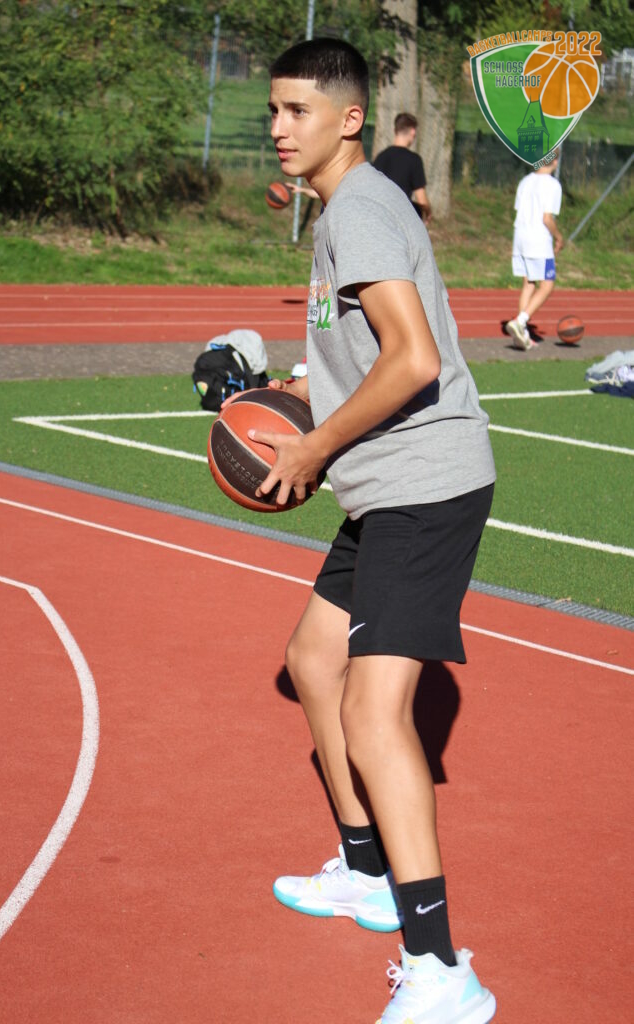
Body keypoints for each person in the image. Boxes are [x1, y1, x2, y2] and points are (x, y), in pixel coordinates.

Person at [254, 37, 497, 1024]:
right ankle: (366, 874)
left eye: (297, 111)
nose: (278, 129)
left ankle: (441, 969)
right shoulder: (343, 209)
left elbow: (412, 359)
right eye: (273, 110)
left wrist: (313, 446)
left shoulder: (356, 208)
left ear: (349, 119)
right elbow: (364, 357)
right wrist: (296, 393)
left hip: (422, 486)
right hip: (383, 486)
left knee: (371, 711)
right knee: (313, 660)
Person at [506, 152, 563, 351]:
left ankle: (523, 335)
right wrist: (559, 237)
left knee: (529, 284)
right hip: (538, 240)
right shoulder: (553, 185)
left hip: (520, 237)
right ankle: (520, 321)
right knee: (547, 285)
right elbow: (547, 219)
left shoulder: (525, 181)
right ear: (554, 161)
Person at [373, 112, 432, 223]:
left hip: (379, 218)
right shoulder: (414, 160)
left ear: (395, 130)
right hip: (400, 220)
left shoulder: (381, 157)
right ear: (413, 132)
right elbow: (422, 200)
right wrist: (428, 212)